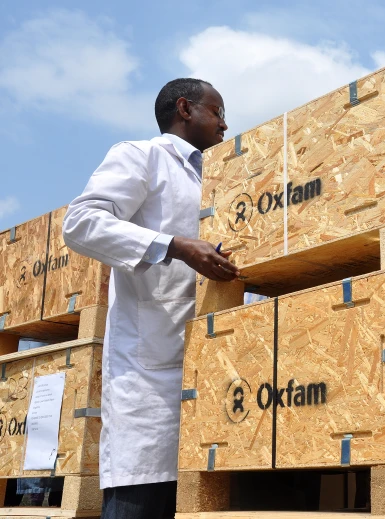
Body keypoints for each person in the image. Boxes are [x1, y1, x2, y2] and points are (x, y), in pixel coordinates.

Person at [63, 78, 240, 519]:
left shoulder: (224, 177)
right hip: (150, 380)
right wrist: (175, 245)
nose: (225, 123)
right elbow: (81, 223)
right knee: (141, 503)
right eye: (217, 112)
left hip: (215, 377)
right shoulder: (141, 156)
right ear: (184, 108)